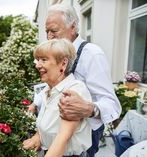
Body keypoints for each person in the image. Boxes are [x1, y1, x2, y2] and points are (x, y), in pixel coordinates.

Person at [32, 3, 122, 157]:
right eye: (47, 31)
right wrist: (36, 103)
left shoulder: (92, 54)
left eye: (53, 31)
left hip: (81, 139)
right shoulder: (57, 53)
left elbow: (113, 105)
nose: (49, 37)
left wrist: (89, 109)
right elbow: (55, 87)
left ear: (73, 27)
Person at [23, 39, 92, 157]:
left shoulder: (72, 91)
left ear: (63, 64)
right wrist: (37, 137)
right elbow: (50, 125)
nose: (38, 65)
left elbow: (62, 137)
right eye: (38, 60)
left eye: (44, 60)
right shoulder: (48, 90)